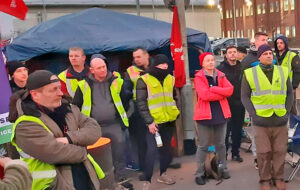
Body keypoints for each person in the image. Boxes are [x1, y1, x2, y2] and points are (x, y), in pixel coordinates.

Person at [9, 70, 104, 190]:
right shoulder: (25, 124)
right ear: (35, 94)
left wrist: (69, 139)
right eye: (53, 89)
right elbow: (54, 152)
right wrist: (83, 149)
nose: (60, 93)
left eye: (59, 88)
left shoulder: (70, 110)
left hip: (85, 179)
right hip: (53, 186)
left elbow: (95, 130)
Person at [73, 54, 133, 189]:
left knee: (119, 153)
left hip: (115, 124)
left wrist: (125, 116)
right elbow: (76, 106)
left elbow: (126, 101)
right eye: (98, 68)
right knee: (97, 156)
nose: (102, 70)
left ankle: (121, 180)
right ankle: (101, 183)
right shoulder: (83, 85)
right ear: (92, 70)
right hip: (93, 127)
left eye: (104, 67)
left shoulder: (118, 81)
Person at [241, 44, 293, 190]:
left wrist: (287, 112)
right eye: (265, 54)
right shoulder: (250, 73)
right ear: (259, 57)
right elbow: (245, 97)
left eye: (270, 53)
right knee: (264, 152)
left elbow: (290, 93)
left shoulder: (283, 72)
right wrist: (253, 114)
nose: (269, 55)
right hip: (261, 121)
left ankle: (279, 178)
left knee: (280, 151)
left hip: (280, 120)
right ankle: (264, 180)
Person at [136, 54, 180, 190]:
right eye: (162, 64)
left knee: (166, 149)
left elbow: (174, 97)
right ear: (155, 65)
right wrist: (149, 122)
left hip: (169, 121)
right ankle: (147, 180)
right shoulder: (144, 79)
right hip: (154, 123)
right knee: (152, 150)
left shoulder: (170, 79)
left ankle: (163, 174)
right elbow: (141, 103)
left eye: (167, 64)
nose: (165, 66)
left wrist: (176, 111)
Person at [194, 52, 233, 185]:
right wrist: (221, 94)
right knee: (203, 146)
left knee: (221, 145)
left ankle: (223, 168)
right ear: (202, 63)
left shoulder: (220, 75)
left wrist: (215, 88)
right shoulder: (199, 77)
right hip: (205, 116)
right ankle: (199, 173)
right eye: (208, 61)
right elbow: (204, 95)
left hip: (221, 114)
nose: (211, 62)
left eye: (212, 60)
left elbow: (230, 90)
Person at [241, 32, 269, 169]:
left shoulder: (271, 57)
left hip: (272, 104)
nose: (266, 42)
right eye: (263, 40)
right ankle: (258, 159)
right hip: (255, 104)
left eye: (267, 40)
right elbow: (244, 86)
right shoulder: (247, 61)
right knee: (257, 134)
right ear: (256, 42)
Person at [123, 47, 152, 171]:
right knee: (141, 140)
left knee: (160, 138)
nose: (136, 60)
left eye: (139, 57)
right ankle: (144, 167)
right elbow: (126, 91)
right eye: (134, 57)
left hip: (157, 106)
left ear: (147, 56)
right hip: (139, 108)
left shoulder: (156, 67)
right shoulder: (130, 71)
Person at [217, 46, 245, 162]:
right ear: (226, 55)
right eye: (230, 52)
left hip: (239, 103)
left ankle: (235, 153)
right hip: (225, 103)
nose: (233, 54)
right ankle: (223, 155)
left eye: (234, 52)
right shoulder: (220, 69)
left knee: (237, 130)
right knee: (225, 131)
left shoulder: (242, 68)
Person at [2, 61, 28, 159]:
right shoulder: (7, 90)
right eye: (19, 71)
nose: (23, 73)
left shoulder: (33, 86)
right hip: (13, 129)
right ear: (12, 75)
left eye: (25, 70)